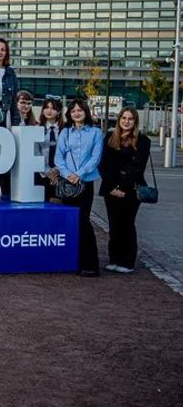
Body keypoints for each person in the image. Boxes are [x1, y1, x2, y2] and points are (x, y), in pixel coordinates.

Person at [99, 107, 150, 274]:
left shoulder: (143, 140)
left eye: (130, 119)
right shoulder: (109, 138)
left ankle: (127, 262)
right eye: (124, 118)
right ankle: (114, 259)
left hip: (130, 190)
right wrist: (112, 186)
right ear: (119, 119)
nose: (126, 121)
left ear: (135, 121)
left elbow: (137, 168)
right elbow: (103, 165)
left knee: (127, 225)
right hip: (110, 189)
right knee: (114, 226)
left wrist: (121, 187)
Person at [56, 98, 104, 277]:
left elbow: (96, 157)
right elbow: (58, 157)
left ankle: (90, 264)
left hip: (85, 182)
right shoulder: (65, 132)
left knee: (84, 222)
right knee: (70, 222)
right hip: (68, 183)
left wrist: (80, 173)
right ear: (69, 114)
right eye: (73, 110)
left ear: (86, 112)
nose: (77, 113)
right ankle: (72, 262)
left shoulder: (95, 132)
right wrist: (68, 173)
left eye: (80, 110)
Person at [38, 97, 63, 200]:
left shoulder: (65, 130)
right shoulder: (37, 128)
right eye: (46, 107)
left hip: (60, 175)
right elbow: (36, 152)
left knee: (58, 208)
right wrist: (48, 172)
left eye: (53, 108)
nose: (49, 111)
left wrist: (57, 171)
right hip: (41, 174)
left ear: (59, 111)